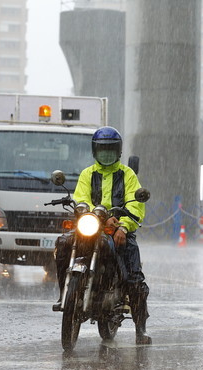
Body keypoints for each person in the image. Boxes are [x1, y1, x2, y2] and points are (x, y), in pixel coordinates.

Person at [54, 126, 152, 345]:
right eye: (102, 149)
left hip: (118, 231)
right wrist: (91, 213)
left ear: (118, 151)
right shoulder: (87, 174)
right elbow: (81, 199)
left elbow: (136, 205)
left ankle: (141, 328)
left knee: (134, 278)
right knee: (62, 243)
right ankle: (65, 291)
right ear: (94, 151)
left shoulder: (128, 174)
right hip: (91, 227)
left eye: (110, 150)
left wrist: (123, 227)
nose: (106, 154)